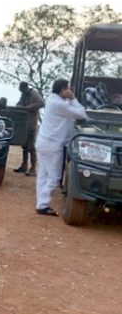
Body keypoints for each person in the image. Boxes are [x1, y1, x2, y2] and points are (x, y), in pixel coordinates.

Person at [34, 78, 88, 216]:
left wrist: (69, 99)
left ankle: (41, 203)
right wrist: (73, 98)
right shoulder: (59, 104)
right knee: (54, 177)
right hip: (52, 145)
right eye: (68, 89)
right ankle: (43, 203)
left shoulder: (53, 101)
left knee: (43, 175)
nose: (70, 90)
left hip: (43, 142)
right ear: (63, 90)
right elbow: (82, 113)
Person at [14, 81, 45, 176]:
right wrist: (19, 106)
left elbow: (41, 103)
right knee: (25, 145)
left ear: (25, 88)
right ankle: (24, 165)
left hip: (32, 124)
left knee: (32, 147)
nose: (21, 92)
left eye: (22, 90)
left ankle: (33, 168)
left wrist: (28, 108)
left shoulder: (34, 94)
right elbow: (19, 103)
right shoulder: (24, 95)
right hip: (25, 124)